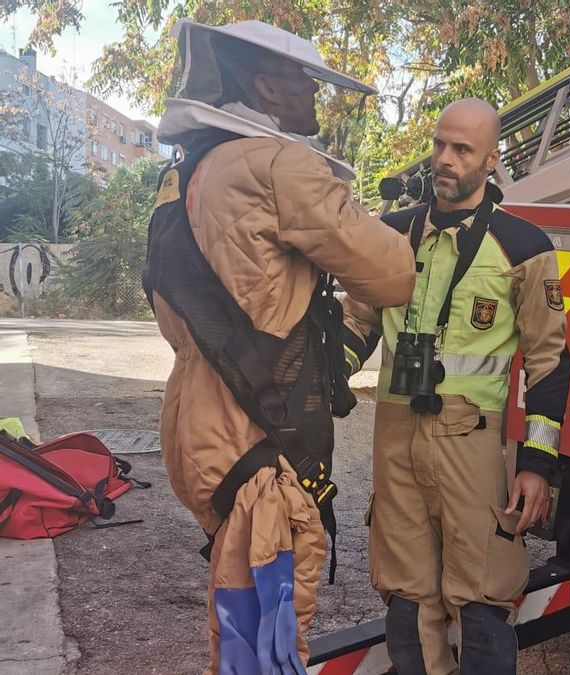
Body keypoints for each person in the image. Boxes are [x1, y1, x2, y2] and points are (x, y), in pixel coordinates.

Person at [144, 19, 415, 674]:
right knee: (262, 645)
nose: (315, 94)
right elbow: (392, 275)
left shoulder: (187, 175)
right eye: (304, 80)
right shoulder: (278, 165)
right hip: (259, 443)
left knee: (243, 618)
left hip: (200, 424)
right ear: (266, 87)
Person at [342, 98, 570, 675]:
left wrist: (537, 464)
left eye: (463, 149)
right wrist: (312, 389)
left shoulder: (524, 246)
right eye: (440, 144)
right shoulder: (391, 234)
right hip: (395, 436)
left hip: (470, 440)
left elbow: (549, 362)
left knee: (482, 595)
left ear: (492, 160)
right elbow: (356, 326)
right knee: (405, 595)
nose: (445, 159)